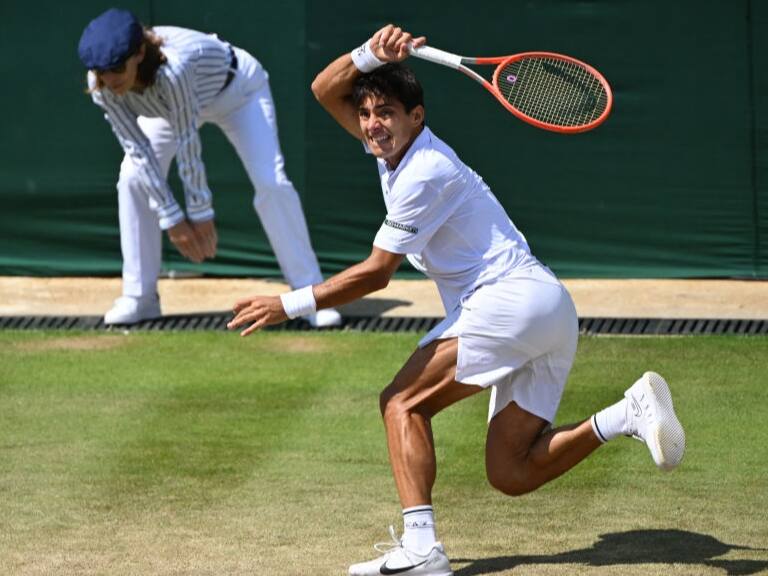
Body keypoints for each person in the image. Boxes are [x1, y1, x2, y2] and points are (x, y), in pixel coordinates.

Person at [227, 24, 686, 576]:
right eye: (366, 114)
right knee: (511, 471)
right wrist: (370, 52)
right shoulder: (392, 151)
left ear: (416, 117)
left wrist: (288, 304)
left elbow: (376, 274)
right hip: (550, 311)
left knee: (402, 403)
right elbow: (326, 89)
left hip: (509, 301)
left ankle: (422, 548)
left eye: (386, 113)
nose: (372, 124)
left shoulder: (426, 171)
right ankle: (625, 413)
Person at [77, 8, 341, 328]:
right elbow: (138, 149)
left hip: (239, 93)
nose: (110, 79)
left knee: (272, 183)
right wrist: (172, 218)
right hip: (170, 110)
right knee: (132, 177)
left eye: (118, 67)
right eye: (101, 71)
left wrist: (199, 213)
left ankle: (309, 296)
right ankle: (140, 297)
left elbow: (187, 140)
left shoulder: (173, 69)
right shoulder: (102, 85)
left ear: (140, 54)